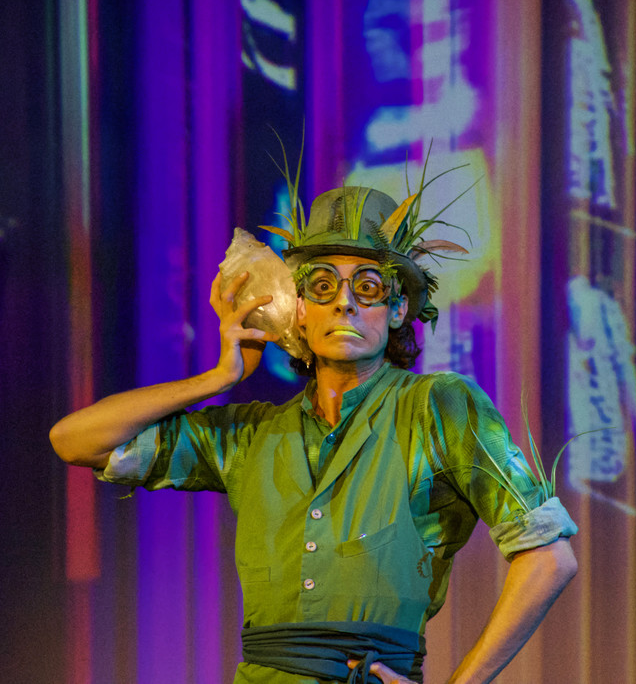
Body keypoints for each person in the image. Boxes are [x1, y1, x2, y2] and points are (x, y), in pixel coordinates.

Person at [50, 182, 578, 684]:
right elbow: (76, 440)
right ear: (298, 309)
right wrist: (218, 379)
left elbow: (549, 557)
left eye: (368, 287)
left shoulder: (438, 407)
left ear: (398, 310)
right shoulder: (251, 435)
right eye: (323, 286)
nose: (344, 303)